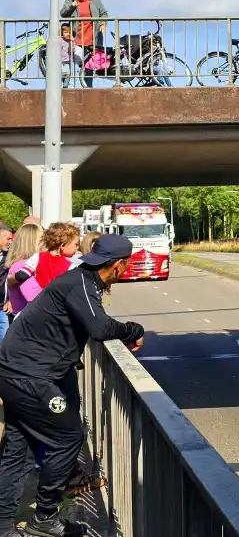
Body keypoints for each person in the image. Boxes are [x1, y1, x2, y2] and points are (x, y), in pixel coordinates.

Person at [0, 235, 145, 537]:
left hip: (18, 371)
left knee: (19, 449)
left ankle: (3, 524)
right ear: (118, 265)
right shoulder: (81, 283)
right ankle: (45, 518)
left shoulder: (81, 279)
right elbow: (100, 327)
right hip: (32, 376)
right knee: (67, 437)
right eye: (126, 264)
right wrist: (133, 329)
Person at [13, 223, 81, 307]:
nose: (77, 248)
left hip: (36, 302)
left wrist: (12, 278)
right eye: (76, 244)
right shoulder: (71, 266)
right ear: (63, 245)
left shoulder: (38, 256)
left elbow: (23, 275)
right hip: (57, 304)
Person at [59, 0, 108, 89]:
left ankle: (88, 91)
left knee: (89, 68)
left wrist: (102, 23)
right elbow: (63, 13)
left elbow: (104, 13)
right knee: (72, 66)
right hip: (76, 40)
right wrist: (71, 7)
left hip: (92, 40)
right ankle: (69, 90)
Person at [4, 224, 43, 320]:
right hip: (27, 322)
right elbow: (34, 297)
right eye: (43, 239)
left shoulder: (22, 264)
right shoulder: (22, 266)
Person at [58, 24, 85, 88]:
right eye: (66, 32)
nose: (68, 34)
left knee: (68, 74)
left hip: (68, 61)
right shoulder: (60, 40)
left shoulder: (71, 41)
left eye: (69, 32)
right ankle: (59, 86)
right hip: (60, 61)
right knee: (60, 74)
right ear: (62, 33)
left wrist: (72, 41)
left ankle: (65, 86)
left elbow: (71, 51)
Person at [0, 227, 11, 342]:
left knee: (4, 341)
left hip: (2, 308)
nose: (10, 241)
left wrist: (10, 299)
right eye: (7, 238)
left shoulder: (9, 257)